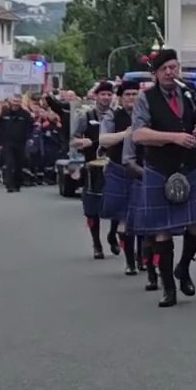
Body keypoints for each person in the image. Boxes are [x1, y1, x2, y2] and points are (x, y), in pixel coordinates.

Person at [130, 49, 196, 307]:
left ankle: (183, 267)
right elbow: (139, 135)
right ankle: (169, 289)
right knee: (161, 231)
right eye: (164, 69)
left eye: (173, 67)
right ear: (156, 73)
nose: (170, 72)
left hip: (191, 167)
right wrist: (172, 137)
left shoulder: (191, 92)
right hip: (160, 168)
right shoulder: (146, 98)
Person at [100, 80, 145, 276]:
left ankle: (143, 258)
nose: (131, 98)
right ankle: (130, 262)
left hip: (141, 170)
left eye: (135, 94)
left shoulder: (146, 115)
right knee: (124, 217)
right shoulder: (112, 116)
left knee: (143, 217)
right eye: (127, 94)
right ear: (121, 97)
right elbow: (103, 139)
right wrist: (125, 134)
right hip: (118, 170)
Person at [74, 82, 117, 259]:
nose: (106, 97)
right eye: (103, 94)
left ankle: (113, 234)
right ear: (96, 96)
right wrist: (79, 143)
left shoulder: (118, 116)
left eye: (109, 94)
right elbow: (73, 138)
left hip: (114, 165)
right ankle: (97, 244)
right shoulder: (86, 116)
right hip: (92, 166)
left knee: (117, 204)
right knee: (92, 208)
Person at [0, 95, 34, 192]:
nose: (15, 104)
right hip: (7, 143)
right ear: (11, 102)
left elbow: (30, 128)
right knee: (9, 163)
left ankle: (17, 184)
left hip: (20, 143)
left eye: (17, 101)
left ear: (20, 103)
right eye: (14, 101)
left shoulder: (25, 115)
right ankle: (9, 185)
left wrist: (30, 139)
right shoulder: (5, 114)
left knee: (19, 164)